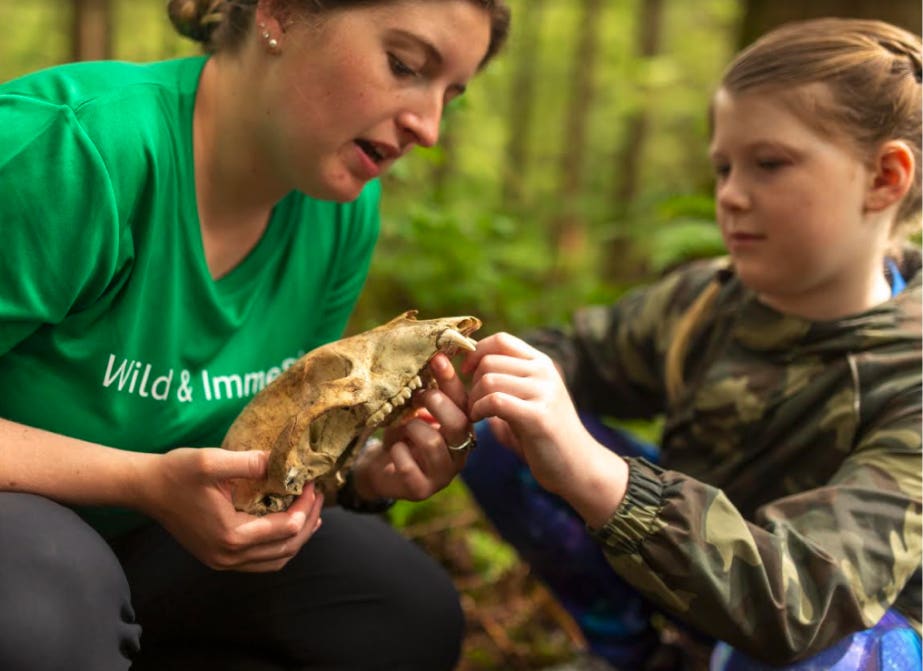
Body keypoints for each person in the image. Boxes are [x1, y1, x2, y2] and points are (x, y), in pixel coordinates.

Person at [0, 1, 509, 669]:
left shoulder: (339, 212)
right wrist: (144, 481)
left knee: (398, 609)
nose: (430, 126)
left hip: (148, 539)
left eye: (451, 94)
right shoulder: (76, 149)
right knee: (44, 610)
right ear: (281, 13)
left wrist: (365, 470)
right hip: (32, 544)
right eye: (405, 65)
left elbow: (270, 437)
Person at [461, 17, 922, 671]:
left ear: (882, 178)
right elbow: (573, 353)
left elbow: (810, 598)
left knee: (857, 656)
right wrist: (468, 389)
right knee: (507, 409)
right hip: (693, 583)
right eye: (723, 167)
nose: (730, 195)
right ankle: (632, 653)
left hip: (801, 629)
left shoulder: (910, 377)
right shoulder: (706, 301)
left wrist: (596, 475)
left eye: (768, 163)